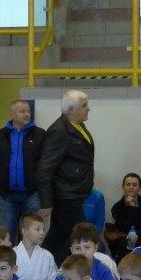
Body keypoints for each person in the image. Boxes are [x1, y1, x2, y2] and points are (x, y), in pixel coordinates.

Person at [37, 90, 96, 261]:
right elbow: (45, 168)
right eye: (84, 105)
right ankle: (87, 268)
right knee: (82, 237)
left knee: (57, 238)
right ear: (71, 110)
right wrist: (46, 201)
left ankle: (43, 264)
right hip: (66, 195)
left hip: (74, 193)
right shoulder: (59, 131)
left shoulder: (77, 126)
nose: (88, 108)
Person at [0, 100, 44, 244]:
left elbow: (46, 163)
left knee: (32, 235)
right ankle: (8, 258)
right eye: (22, 111)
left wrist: (39, 185)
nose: (26, 114)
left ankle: (30, 259)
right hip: (7, 196)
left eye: (28, 111)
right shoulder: (0, 136)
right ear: (12, 114)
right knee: (6, 236)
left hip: (31, 195)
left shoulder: (39, 135)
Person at [14, 214, 56, 280]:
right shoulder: (12, 254)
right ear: (24, 231)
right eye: (38, 229)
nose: (42, 233)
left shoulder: (47, 256)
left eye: (43, 229)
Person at [106, 173, 141, 262]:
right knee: (126, 243)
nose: (131, 187)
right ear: (123, 187)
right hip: (123, 238)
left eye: (134, 185)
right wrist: (132, 207)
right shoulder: (117, 207)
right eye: (128, 184)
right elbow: (127, 227)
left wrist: (133, 207)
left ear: (139, 188)